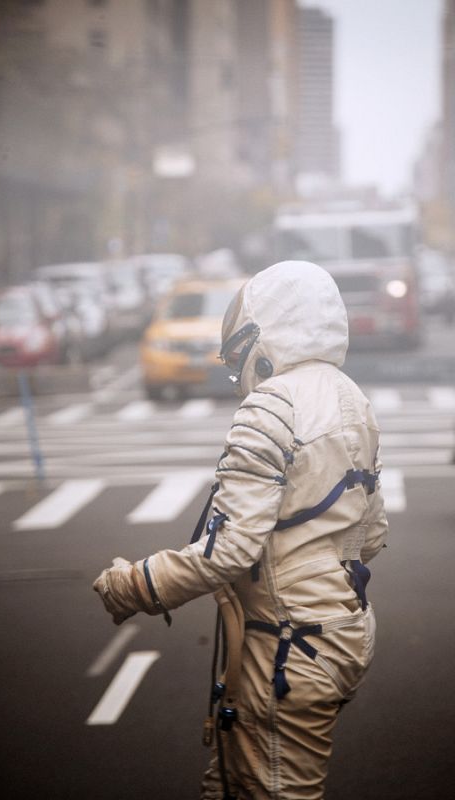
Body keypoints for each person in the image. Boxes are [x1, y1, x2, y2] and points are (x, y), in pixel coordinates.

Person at [93, 260, 389, 800]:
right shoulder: (352, 398)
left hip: (286, 644)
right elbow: (371, 533)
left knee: (269, 789)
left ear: (268, 334)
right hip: (342, 632)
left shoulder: (272, 404)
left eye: (238, 359)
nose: (240, 376)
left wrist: (133, 585)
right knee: (233, 784)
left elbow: (227, 550)